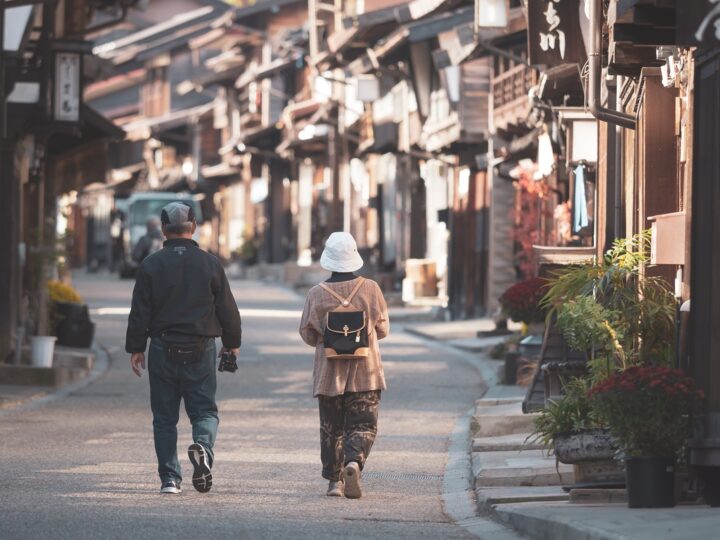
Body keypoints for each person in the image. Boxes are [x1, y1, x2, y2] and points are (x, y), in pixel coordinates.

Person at [125, 202, 241, 495]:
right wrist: (232, 344)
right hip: (201, 347)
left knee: (164, 418)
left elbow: (140, 310)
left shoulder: (151, 264)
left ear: (164, 230)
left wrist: (137, 347)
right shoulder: (210, 263)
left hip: (163, 346)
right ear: (194, 227)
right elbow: (227, 308)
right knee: (204, 411)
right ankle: (202, 446)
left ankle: (170, 479)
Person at [299, 232, 389, 499]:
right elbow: (382, 328)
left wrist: (327, 339)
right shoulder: (371, 288)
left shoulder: (316, 294)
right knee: (363, 424)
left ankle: (334, 483)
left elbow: (307, 334)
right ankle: (354, 463)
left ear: (328, 260)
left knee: (331, 429)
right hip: (366, 372)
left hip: (329, 375)